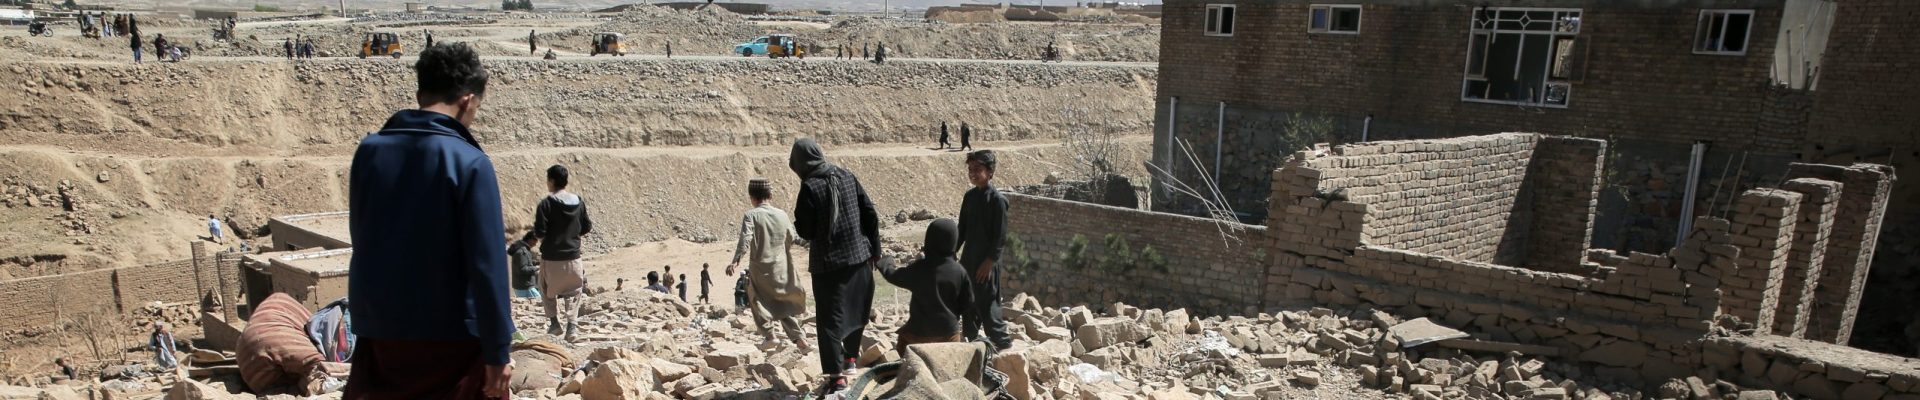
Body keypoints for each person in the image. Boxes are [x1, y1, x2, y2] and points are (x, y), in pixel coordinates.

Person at [344, 43, 513, 399]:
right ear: (467, 100)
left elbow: (362, 238)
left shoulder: (369, 152)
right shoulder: (469, 162)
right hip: (452, 341)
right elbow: (488, 265)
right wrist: (498, 351)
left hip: (382, 336)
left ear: (421, 93)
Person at [789, 138, 881, 393]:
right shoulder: (846, 175)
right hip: (859, 256)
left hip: (827, 264)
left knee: (829, 320)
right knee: (856, 308)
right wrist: (875, 250)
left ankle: (837, 378)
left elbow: (806, 231)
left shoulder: (810, 187)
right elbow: (869, 212)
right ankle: (850, 358)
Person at [727, 178, 808, 348]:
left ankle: (770, 335)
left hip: (760, 269)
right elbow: (793, 237)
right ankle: (800, 339)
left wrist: (735, 261)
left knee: (756, 298)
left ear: (752, 197)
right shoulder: (782, 214)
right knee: (781, 302)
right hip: (782, 268)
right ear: (770, 195)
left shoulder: (751, 215)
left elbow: (746, 239)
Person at [876, 218, 973, 360]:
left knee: (902, 344)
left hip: (918, 335)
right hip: (949, 335)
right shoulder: (959, 271)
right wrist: (953, 316)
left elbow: (894, 276)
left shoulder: (920, 268)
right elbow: (968, 302)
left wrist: (886, 262)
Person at [522, 164, 594, 340]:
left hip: (551, 258)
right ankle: (572, 327)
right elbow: (586, 226)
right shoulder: (578, 201)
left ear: (552, 181)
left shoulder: (545, 204)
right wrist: (572, 235)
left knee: (545, 289)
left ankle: (554, 323)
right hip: (573, 257)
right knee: (574, 291)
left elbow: (540, 232)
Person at [955, 150, 1011, 351]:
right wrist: (950, 252)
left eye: (977, 169)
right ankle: (972, 346)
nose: (973, 173)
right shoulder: (969, 197)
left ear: (990, 172)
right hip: (968, 261)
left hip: (987, 265)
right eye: (970, 169)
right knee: (968, 305)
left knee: (988, 306)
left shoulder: (997, 201)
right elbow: (961, 230)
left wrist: (989, 263)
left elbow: (1000, 237)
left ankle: (1004, 348)